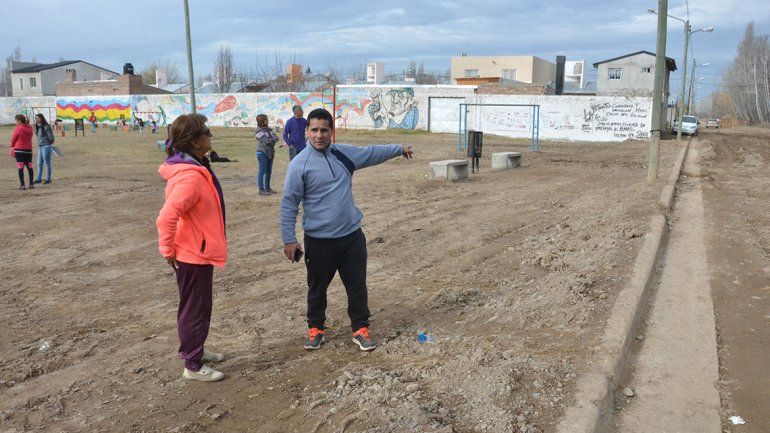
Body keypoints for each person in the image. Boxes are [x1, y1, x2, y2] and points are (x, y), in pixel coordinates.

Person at [280, 108, 413, 352]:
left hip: (351, 237)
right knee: (317, 288)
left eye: (324, 130)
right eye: (314, 130)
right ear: (307, 131)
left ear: (332, 132)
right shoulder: (299, 164)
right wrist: (289, 239)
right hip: (319, 241)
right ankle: (316, 328)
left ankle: (360, 329)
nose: (319, 135)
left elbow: (371, 153)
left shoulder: (344, 154)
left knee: (357, 285)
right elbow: (289, 203)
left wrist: (398, 148)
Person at [156, 113, 228, 382]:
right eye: (207, 132)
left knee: (200, 308)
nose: (210, 136)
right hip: (192, 255)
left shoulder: (198, 166)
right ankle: (192, 364)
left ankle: (195, 349)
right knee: (194, 310)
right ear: (196, 141)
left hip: (198, 251)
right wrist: (167, 250)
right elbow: (166, 217)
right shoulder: (190, 177)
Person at [255, 114, 279, 195]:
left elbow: (277, 138)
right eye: (266, 119)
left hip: (270, 152)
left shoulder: (269, 129)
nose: (267, 121)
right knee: (262, 171)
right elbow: (266, 141)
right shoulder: (258, 130)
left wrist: (271, 140)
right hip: (262, 153)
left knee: (269, 171)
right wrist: (272, 140)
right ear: (262, 121)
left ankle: (267, 188)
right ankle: (261, 189)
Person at [9, 114, 34, 190]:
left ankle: (22, 185)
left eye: (16, 121)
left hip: (19, 150)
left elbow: (13, 139)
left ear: (19, 121)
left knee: (20, 167)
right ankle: (31, 184)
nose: (16, 122)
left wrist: (12, 146)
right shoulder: (30, 128)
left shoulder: (18, 128)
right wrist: (27, 123)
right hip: (29, 150)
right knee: (29, 166)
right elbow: (27, 126)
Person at [34, 113, 55, 184]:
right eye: (36, 118)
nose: (37, 120)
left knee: (47, 163)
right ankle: (38, 179)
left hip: (46, 146)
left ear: (41, 118)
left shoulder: (45, 126)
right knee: (39, 163)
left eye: (38, 118)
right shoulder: (38, 126)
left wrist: (48, 144)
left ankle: (48, 179)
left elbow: (51, 138)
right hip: (40, 146)